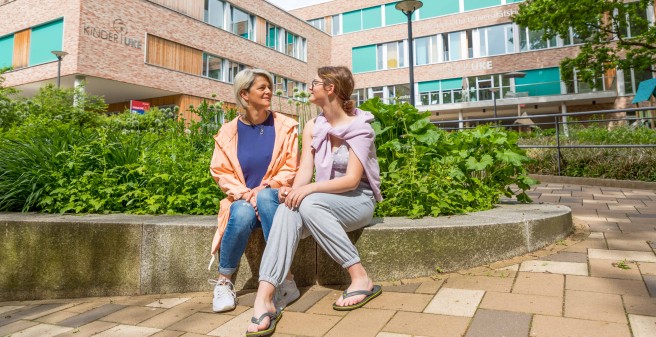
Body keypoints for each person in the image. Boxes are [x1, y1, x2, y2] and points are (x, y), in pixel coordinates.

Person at [245, 66, 383, 336]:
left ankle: (360, 277)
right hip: (321, 201)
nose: (310, 87)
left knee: (307, 202)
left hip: (358, 201)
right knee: (290, 206)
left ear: (330, 88)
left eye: (314, 83)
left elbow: (352, 180)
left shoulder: (360, 128)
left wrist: (307, 192)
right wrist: (293, 191)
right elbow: (305, 171)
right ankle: (265, 298)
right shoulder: (313, 126)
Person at [209, 68, 300, 313]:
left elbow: (291, 168)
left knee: (267, 198)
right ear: (244, 94)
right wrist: (247, 194)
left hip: (274, 201)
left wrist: (263, 189)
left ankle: (285, 281)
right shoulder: (228, 132)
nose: (269, 91)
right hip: (243, 202)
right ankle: (224, 283)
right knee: (241, 212)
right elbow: (221, 171)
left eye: (269, 87)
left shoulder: (286, 127)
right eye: (262, 88)